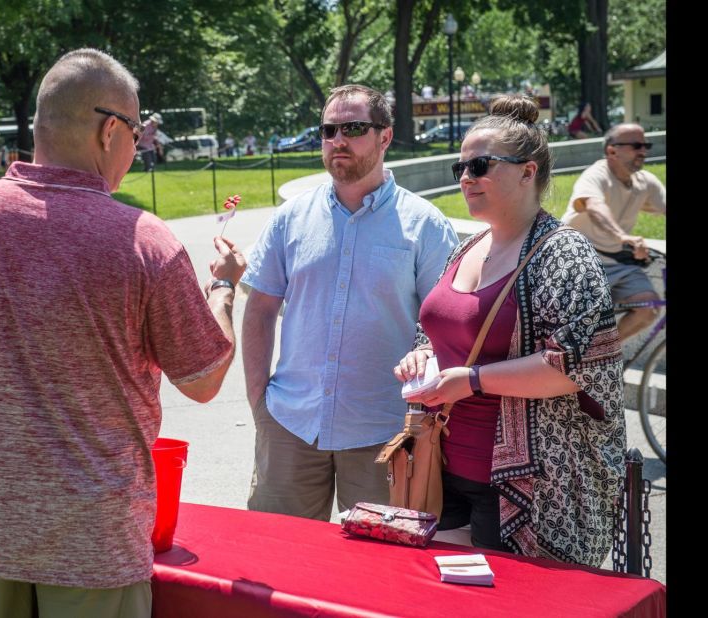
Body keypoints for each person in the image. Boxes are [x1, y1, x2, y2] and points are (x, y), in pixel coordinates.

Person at [0, 48, 246, 618]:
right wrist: (224, 289)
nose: (140, 144)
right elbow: (203, 379)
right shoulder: (145, 242)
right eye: (137, 130)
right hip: (95, 546)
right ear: (109, 130)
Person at [394, 95, 625, 567]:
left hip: (528, 489)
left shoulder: (564, 253)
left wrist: (473, 379)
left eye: (480, 165)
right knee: (445, 600)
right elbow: (435, 328)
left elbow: (574, 366)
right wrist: (422, 355)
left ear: (527, 172)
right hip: (442, 468)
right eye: (459, 167)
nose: (465, 177)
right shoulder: (468, 246)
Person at [241, 84, 458, 522]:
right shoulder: (290, 219)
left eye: (354, 128)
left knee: (379, 578)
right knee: (279, 559)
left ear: (385, 137)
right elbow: (260, 310)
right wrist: (258, 402)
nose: (338, 140)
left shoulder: (425, 225)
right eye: (328, 129)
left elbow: (445, 325)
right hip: (291, 425)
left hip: (384, 431)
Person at [562, 123, 665, 339]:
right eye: (636, 145)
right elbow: (594, 207)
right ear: (612, 150)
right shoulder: (596, 175)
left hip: (619, 264)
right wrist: (622, 237)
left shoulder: (645, 182)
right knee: (576, 321)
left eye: (646, 145)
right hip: (580, 262)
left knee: (649, 308)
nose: (643, 151)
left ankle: (605, 354)